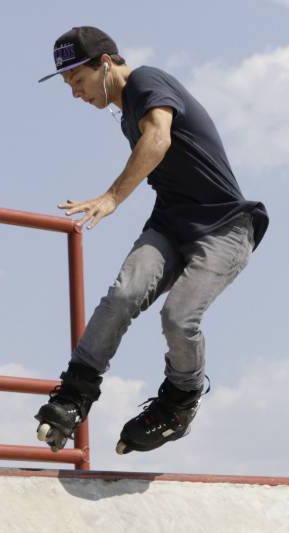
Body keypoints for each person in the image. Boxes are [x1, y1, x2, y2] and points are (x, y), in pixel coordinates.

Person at [34, 26, 268, 455]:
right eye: (69, 85)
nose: (76, 94)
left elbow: (158, 139)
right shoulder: (127, 110)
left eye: (79, 80)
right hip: (171, 224)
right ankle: (74, 393)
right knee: (122, 296)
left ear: (106, 64)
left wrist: (111, 197)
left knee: (178, 317)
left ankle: (180, 401)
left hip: (223, 227)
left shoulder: (146, 81)